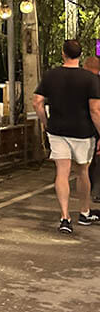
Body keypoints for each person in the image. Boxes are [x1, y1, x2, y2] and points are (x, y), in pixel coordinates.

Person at [32, 39, 100, 234]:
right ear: (80, 55)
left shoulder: (50, 75)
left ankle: (64, 217)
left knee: (62, 172)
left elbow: (37, 102)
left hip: (57, 130)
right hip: (83, 131)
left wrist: (46, 122)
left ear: (63, 53)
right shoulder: (90, 79)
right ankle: (84, 212)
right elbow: (95, 110)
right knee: (82, 172)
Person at [85, 56, 100, 202]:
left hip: (81, 127)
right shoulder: (94, 82)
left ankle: (91, 189)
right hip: (92, 125)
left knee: (86, 164)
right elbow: (95, 110)